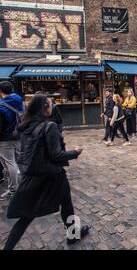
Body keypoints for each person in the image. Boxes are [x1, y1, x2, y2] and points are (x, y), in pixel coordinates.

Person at [3, 94, 89, 250]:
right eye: (50, 104)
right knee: (65, 205)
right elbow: (56, 155)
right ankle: (72, 234)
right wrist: (75, 152)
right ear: (44, 108)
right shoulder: (50, 126)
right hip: (52, 174)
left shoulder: (25, 125)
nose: (52, 107)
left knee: (28, 215)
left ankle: (73, 234)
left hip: (33, 175)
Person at [0, 81, 24, 201]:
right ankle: (21, 185)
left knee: (9, 163)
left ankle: (13, 189)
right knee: (16, 161)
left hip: (5, 138)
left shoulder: (1, 106)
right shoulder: (18, 99)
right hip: (18, 134)